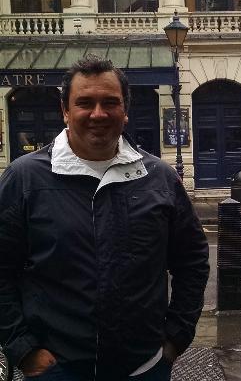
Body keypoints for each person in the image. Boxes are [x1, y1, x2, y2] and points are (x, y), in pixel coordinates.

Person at [0, 55, 209, 381]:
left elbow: (192, 261)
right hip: (56, 370)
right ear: (65, 111)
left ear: (125, 111)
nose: (98, 113)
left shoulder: (159, 178)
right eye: (85, 103)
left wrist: (175, 339)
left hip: (144, 369)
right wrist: (23, 349)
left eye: (110, 102)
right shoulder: (24, 179)